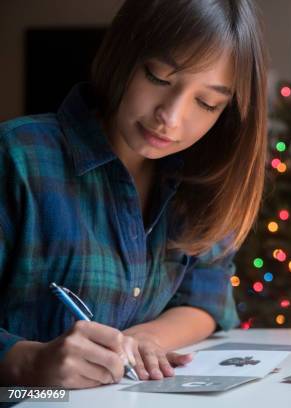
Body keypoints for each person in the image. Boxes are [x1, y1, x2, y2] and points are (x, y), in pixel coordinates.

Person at [0, 0, 268, 388]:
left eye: (206, 103)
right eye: (159, 77)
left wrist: (145, 339)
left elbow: (205, 302)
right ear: (124, 52)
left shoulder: (204, 178)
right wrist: (29, 363)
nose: (171, 117)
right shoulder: (16, 159)